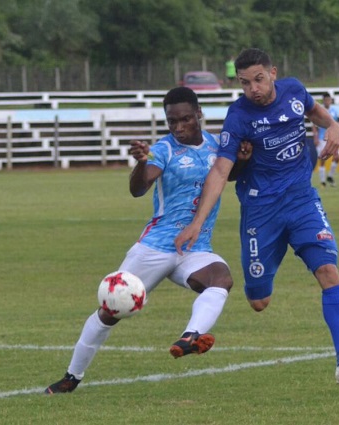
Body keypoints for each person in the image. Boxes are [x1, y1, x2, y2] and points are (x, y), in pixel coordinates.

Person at [174, 48, 339, 386]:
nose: (253, 88)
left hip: (301, 200)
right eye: (245, 82)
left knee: (328, 271)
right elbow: (220, 171)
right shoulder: (238, 116)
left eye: (259, 79)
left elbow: (317, 112)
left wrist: (334, 127)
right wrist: (197, 222)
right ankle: (271, 260)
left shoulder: (294, 90)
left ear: (273, 73)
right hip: (260, 210)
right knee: (259, 301)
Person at [45, 87, 248, 394]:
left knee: (221, 279)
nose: (178, 127)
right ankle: (71, 376)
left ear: (199, 115)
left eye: (185, 119)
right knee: (110, 311)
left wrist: (243, 158)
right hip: (156, 246)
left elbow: (226, 174)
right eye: (171, 121)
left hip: (195, 248)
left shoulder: (217, 145)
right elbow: (139, 189)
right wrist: (141, 162)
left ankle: (190, 336)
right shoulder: (163, 150)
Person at [311, 93, 339, 187]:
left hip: (333, 138)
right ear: (323, 101)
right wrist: (315, 137)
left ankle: (330, 176)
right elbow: (314, 125)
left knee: (337, 157)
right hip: (322, 138)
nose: (327, 101)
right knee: (323, 159)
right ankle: (323, 181)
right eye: (326, 100)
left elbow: (337, 125)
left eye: (329, 100)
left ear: (331, 100)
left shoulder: (334, 111)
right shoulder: (320, 111)